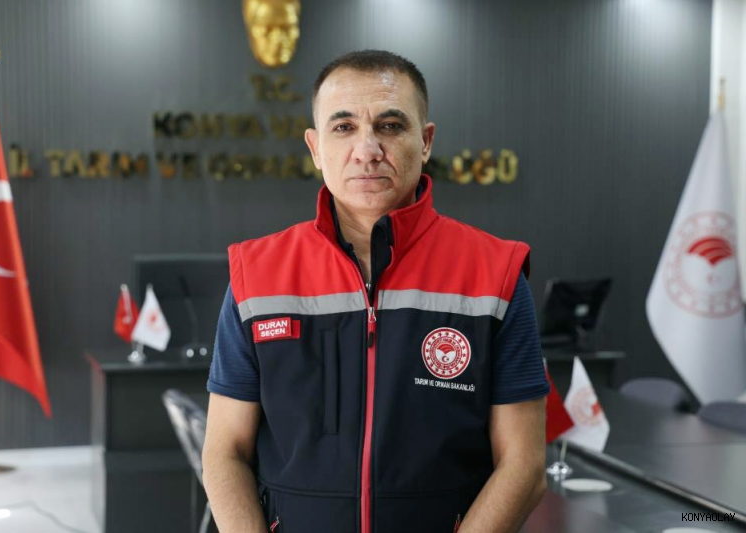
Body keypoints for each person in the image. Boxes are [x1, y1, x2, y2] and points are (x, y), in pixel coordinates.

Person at [202, 50, 549, 533]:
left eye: (390, 125)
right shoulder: (256, 275)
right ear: (315, 148)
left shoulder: (497, 273)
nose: (367, 150)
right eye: (344, 127)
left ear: (425, 141)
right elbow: (224, 453)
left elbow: (524, 465)